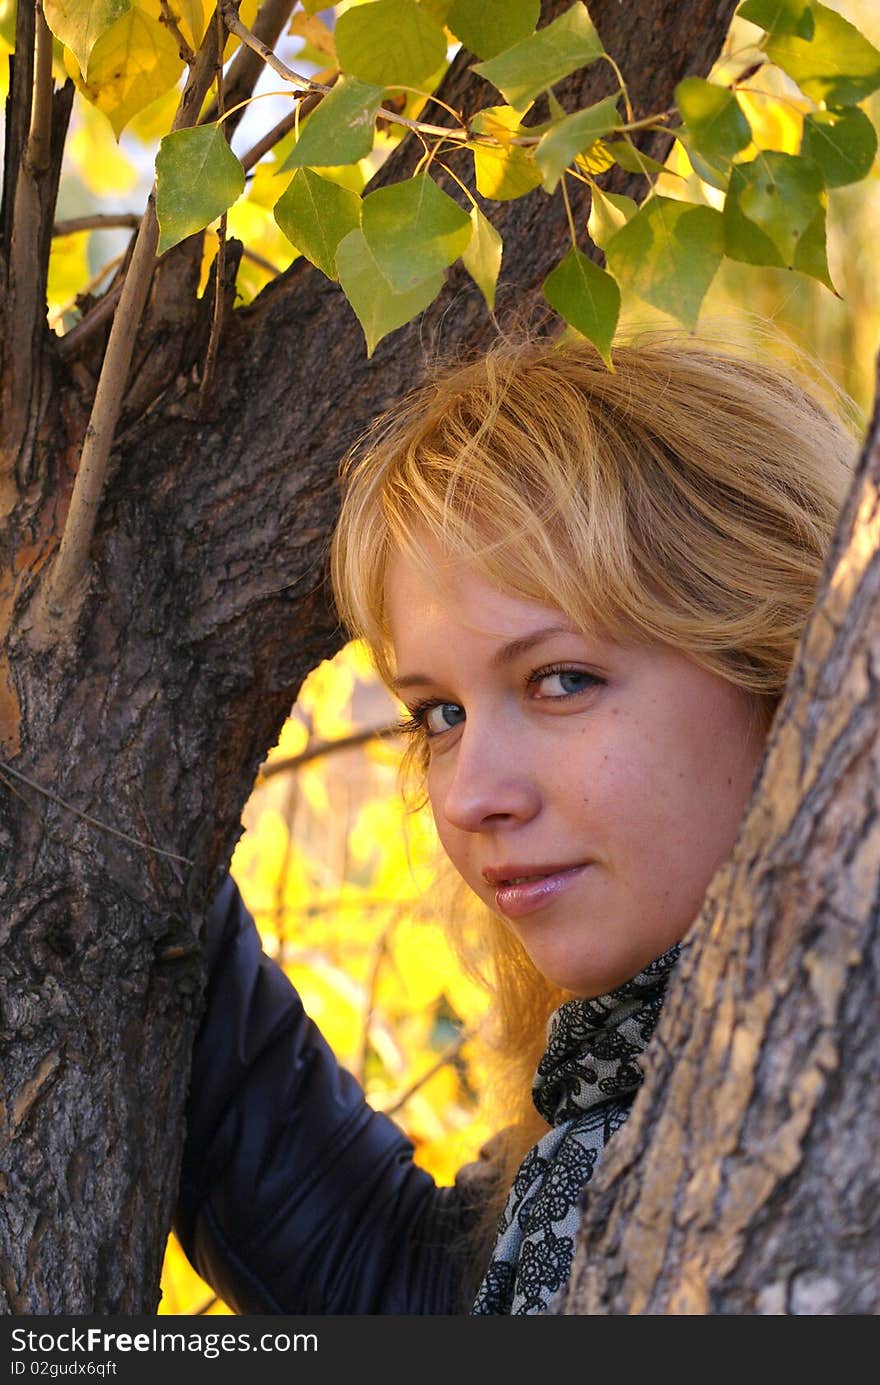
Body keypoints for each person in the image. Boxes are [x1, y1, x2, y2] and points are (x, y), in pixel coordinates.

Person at [173, 331, 856, 1315]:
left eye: (560, 680)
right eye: (438, 713)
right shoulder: (611, 1110)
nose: (467, 793)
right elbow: (410, 1296)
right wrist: (130, 874)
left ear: (784, 662)